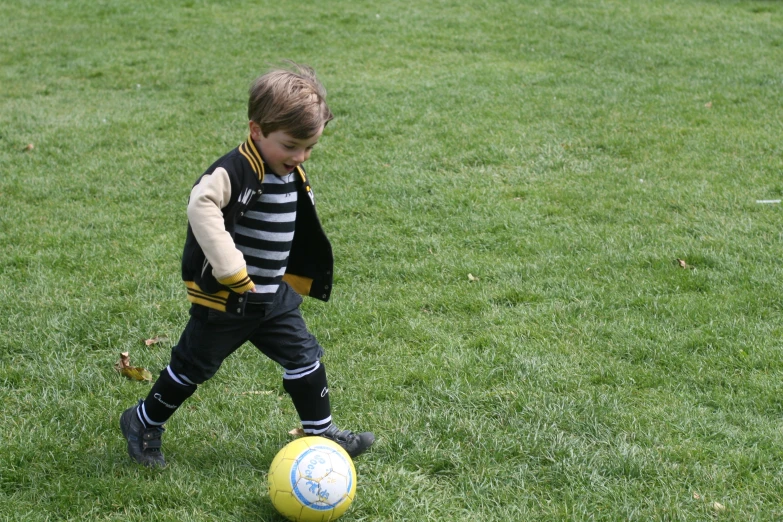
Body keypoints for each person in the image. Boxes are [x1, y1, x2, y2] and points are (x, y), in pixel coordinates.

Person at [120, 62, 374, 468]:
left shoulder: (287, 168)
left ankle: (321, 431)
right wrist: (231, 269)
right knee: (191, 368)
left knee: (304, 357)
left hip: (273, 295)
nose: (301, 155)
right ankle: (143, 420)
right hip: (228, 297)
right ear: (256, 131)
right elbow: (200, 204)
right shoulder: (234, 170)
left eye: (309, 147)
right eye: (291, 145)